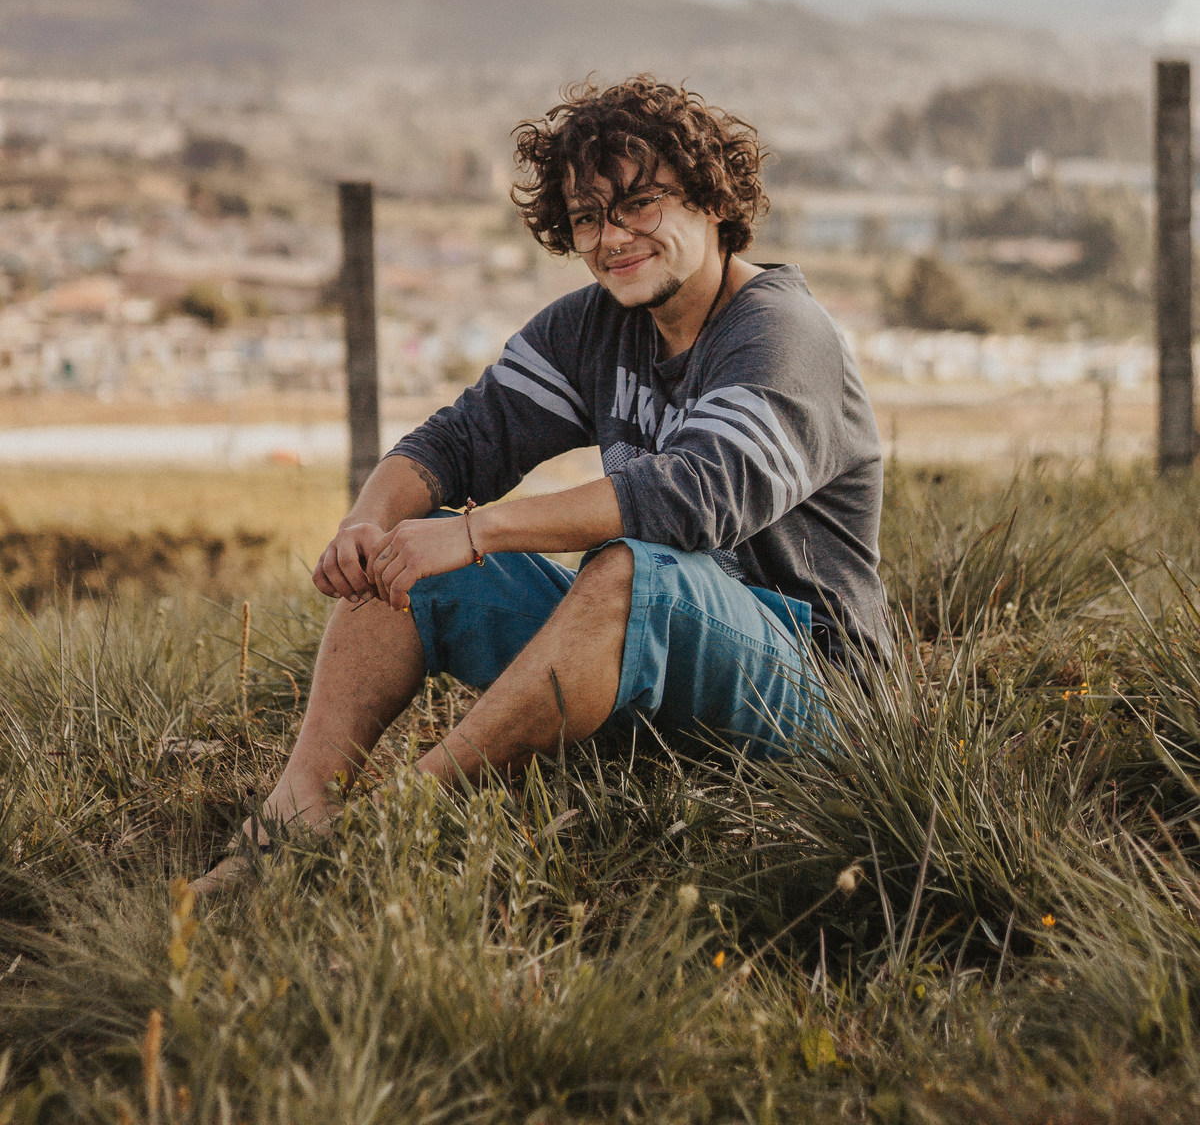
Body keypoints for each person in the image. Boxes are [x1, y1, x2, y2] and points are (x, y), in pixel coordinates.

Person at [192, 75, 888, 894]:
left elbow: (693, 497)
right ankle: (292, 815)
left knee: (630, 570)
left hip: (817, 692)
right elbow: (459, 439)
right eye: (589, 217)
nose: (612, 238)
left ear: (710, 200)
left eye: (640, 204)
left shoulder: (782, 331)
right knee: (405, 557)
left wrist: (475, 532)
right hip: (660, 672)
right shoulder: (596, 326)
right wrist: (364, 526)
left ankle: (388, 830)